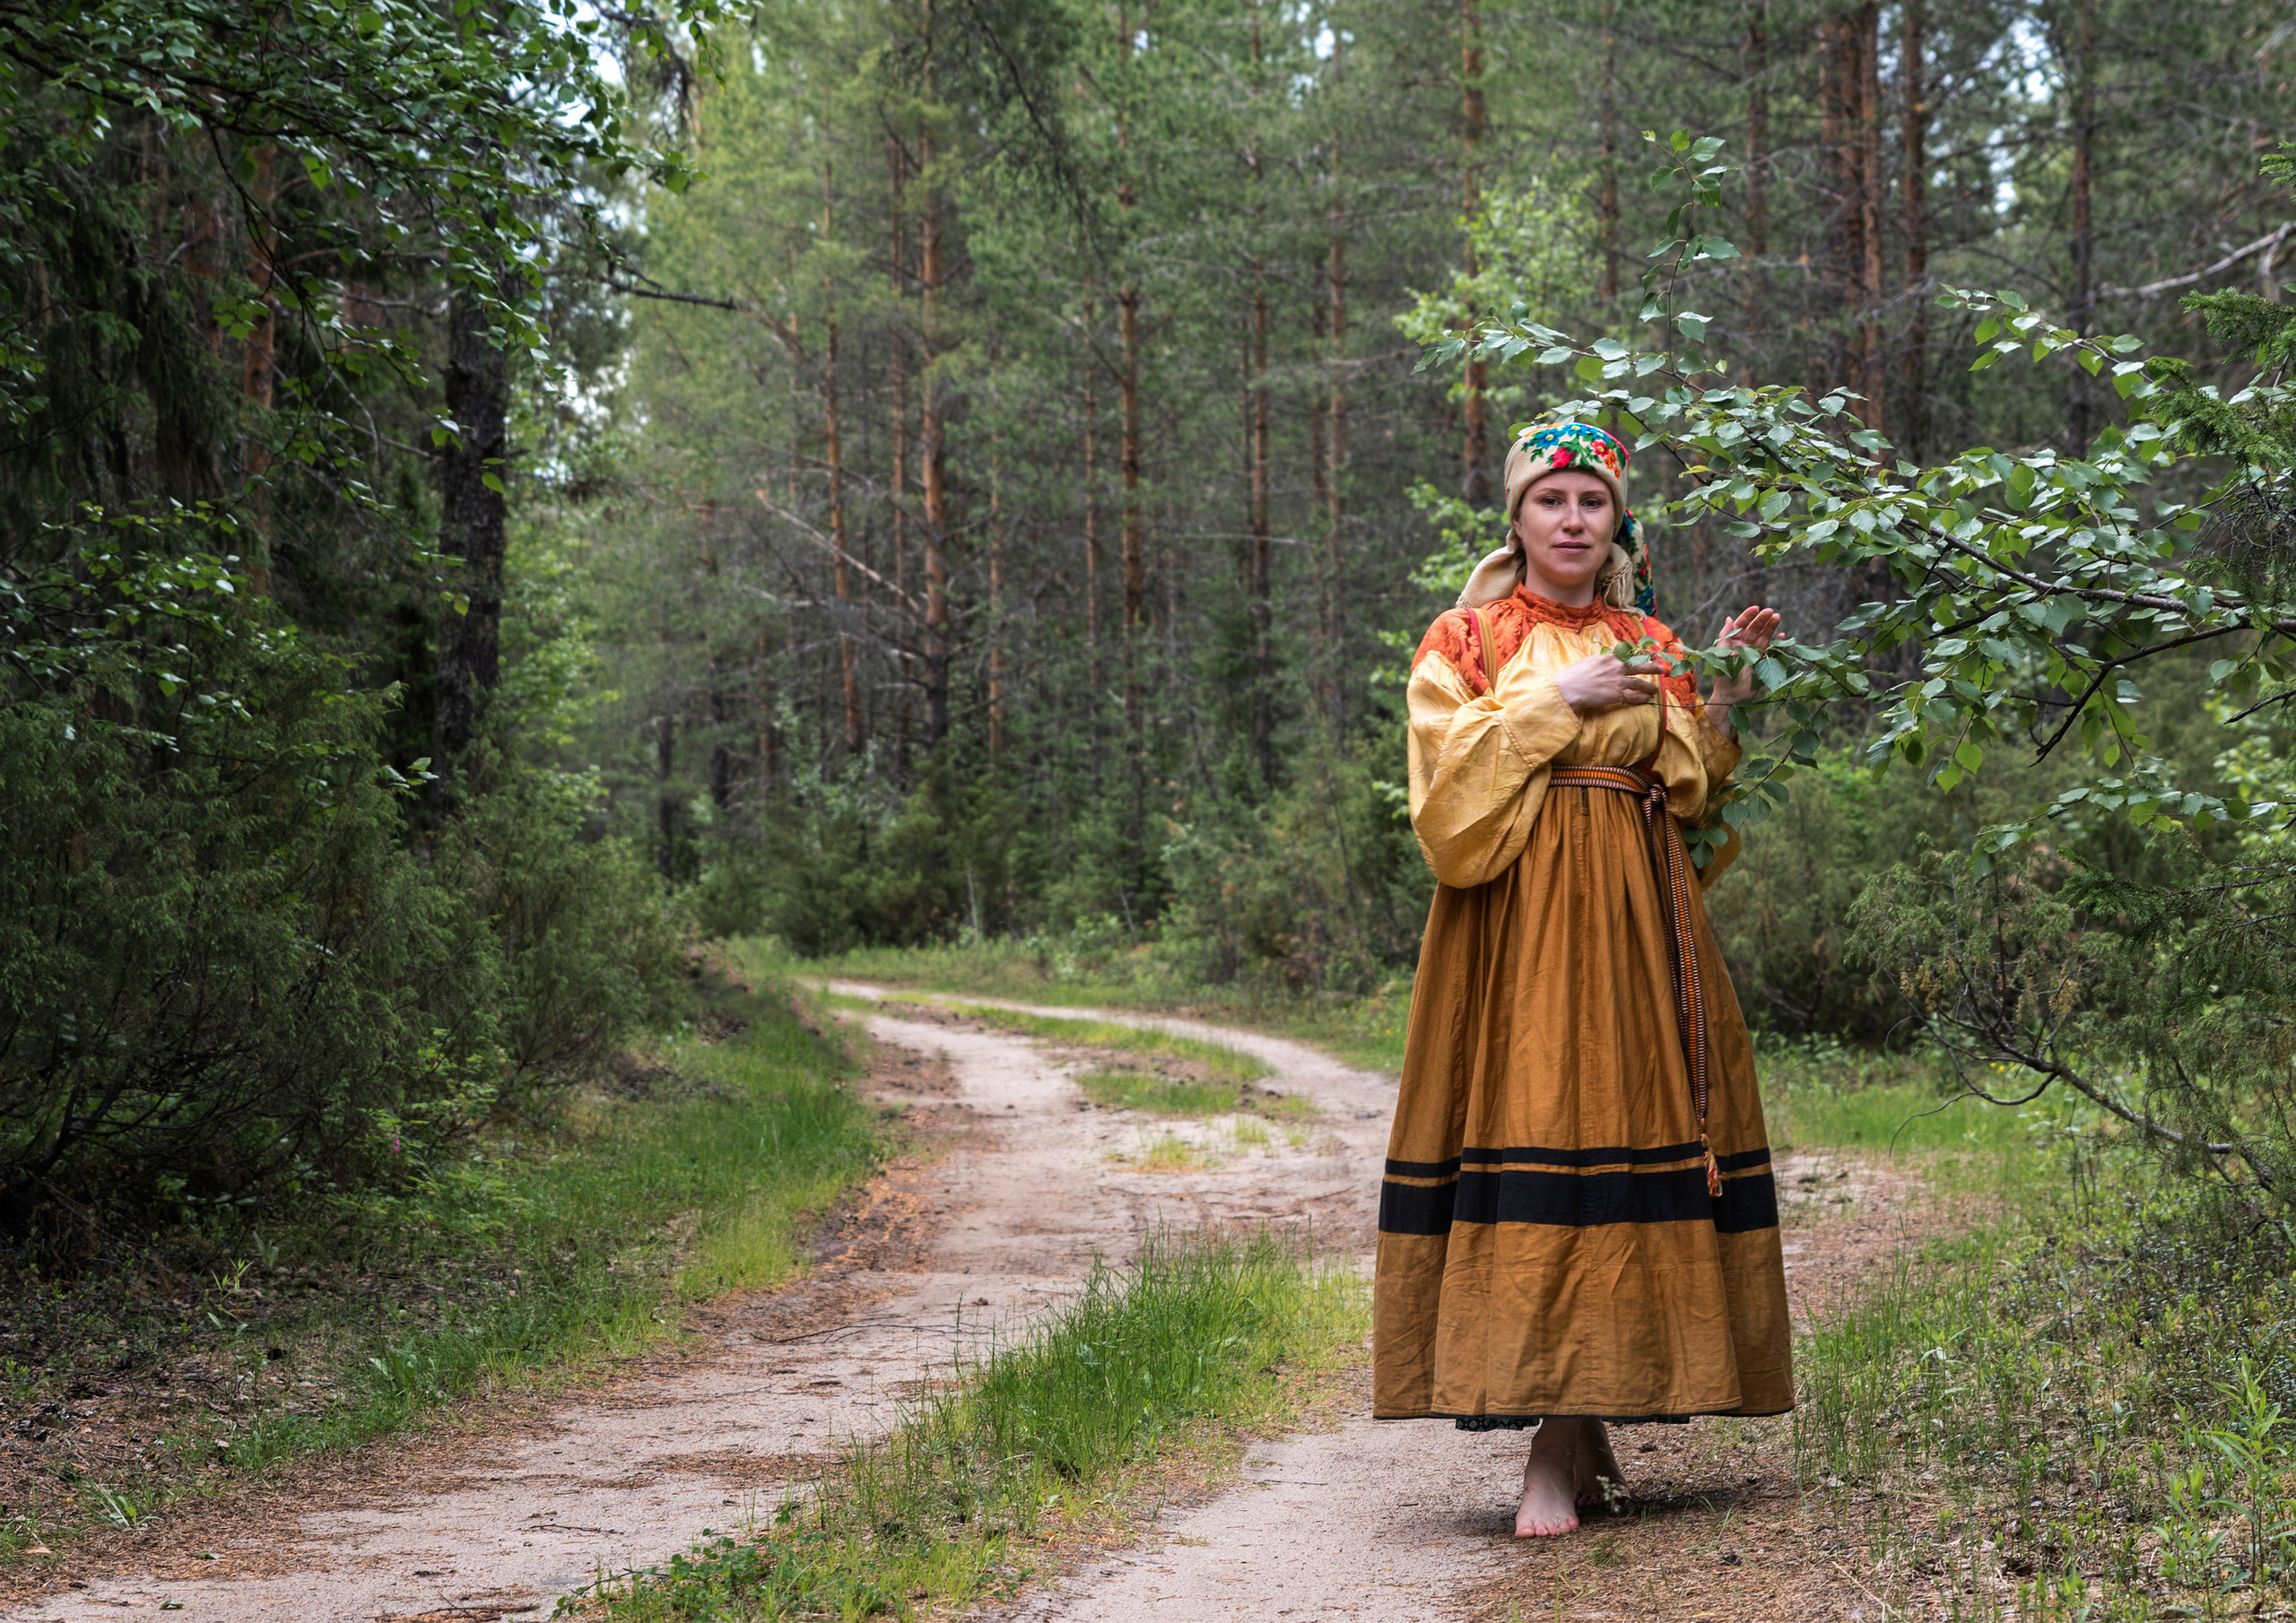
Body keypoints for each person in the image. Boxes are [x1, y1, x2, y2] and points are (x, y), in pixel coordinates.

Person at [1373, 419, 1794, 1539]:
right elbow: (1443, 793)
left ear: (1616, 522)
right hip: (1513, 932)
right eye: (1550, 500)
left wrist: (1722, 700)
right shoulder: (1465, 636)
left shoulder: (1651, 636)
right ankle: (1557, 1451)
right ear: (1514, 517)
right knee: (1543, 1132)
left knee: (1628, 1138)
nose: (1571, 520)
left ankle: (1576, 1434)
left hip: (1639, 928)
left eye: (1592, 502)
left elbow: (1691, 793)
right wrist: (1562, 701)